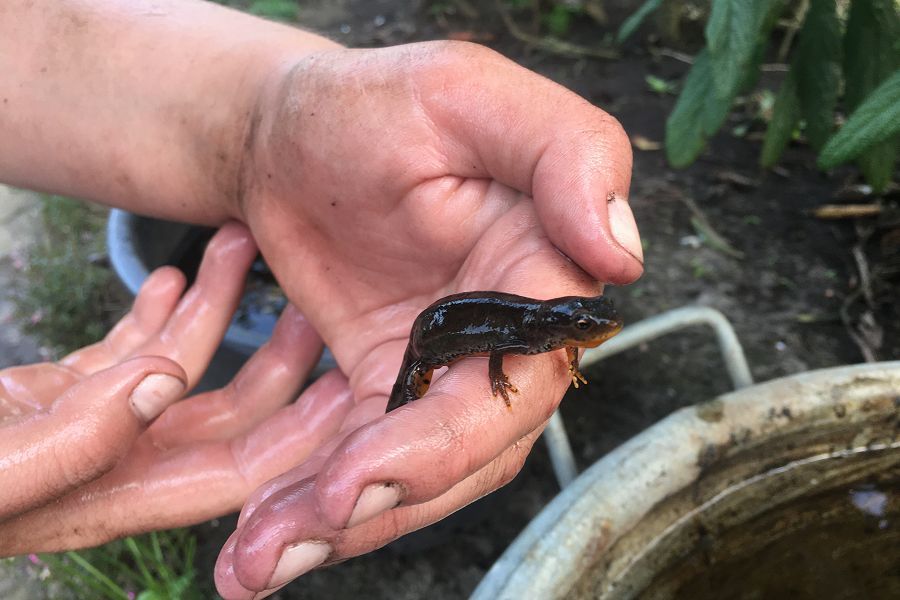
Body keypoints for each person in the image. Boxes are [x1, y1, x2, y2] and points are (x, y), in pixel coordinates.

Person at [0, 0, 643, 597]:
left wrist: (261, 119)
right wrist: (500, 377)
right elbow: (500, 346)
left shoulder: (548, 331)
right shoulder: (526, 331)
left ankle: (392, 425)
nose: (585, 331)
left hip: (448, 322)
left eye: (586, 329)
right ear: (565, 322)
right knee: (417, 378)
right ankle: (399, 414)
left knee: (417, 407)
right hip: (433, 335)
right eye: (585, 328)